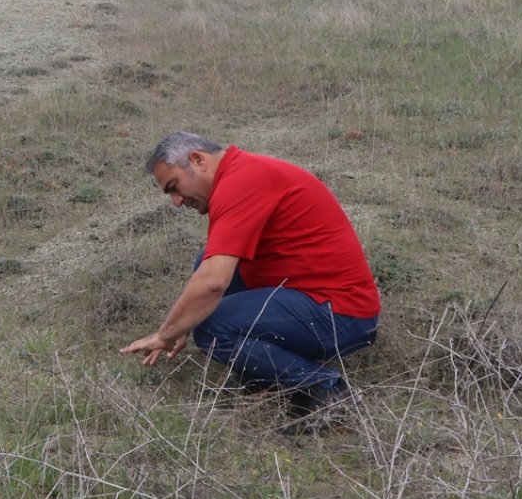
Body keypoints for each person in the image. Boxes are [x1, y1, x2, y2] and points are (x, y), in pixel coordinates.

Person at [119, 131, 380, 434]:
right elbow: (211, 270)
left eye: (174, 187)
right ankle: (269, 374)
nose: (176, 202)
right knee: (205, 260)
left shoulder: (242, 182)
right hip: (319, 299)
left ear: (197, 159)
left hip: (345, 314)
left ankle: (326, 390)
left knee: (212, 327)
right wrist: (183, 321)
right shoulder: (240, 173)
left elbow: (213, 283)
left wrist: (169, 332)